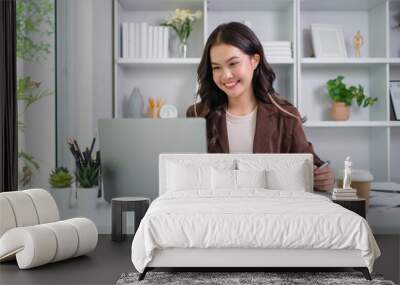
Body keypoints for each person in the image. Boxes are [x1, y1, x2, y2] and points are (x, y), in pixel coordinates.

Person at [186, 22, 334, 191]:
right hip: (218, 212)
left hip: (270, 213)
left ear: (254, 61)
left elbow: (313, 167)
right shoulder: (198, 115)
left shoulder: (285, 116)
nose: (226, 75)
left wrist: (326, 178)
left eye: (233, 63)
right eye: (217, 67)